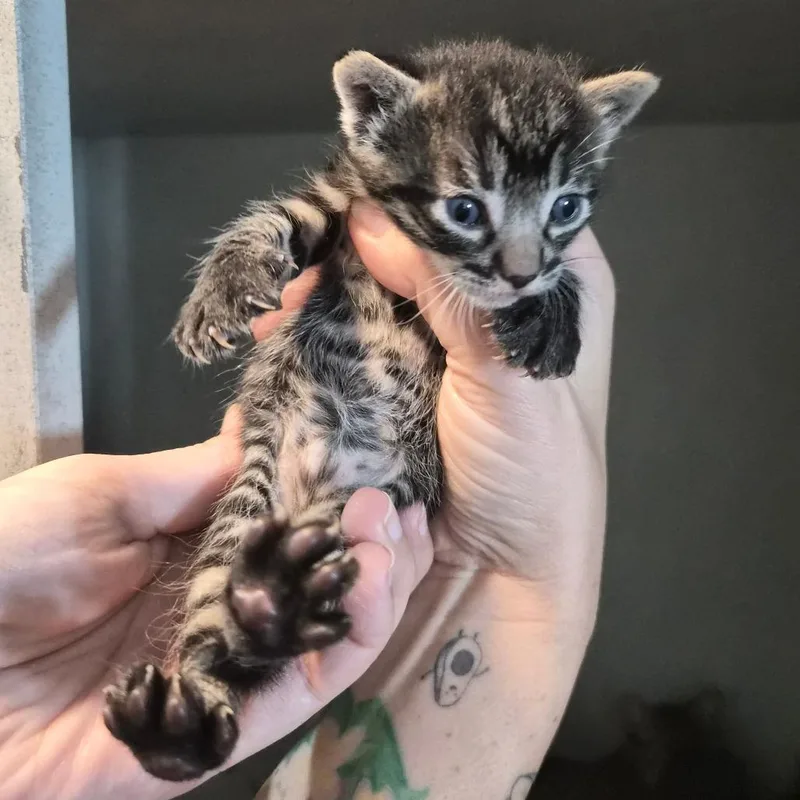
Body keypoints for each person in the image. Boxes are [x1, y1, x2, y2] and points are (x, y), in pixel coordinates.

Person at [0, 203, 613, 800]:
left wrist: (550, 307)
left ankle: (224, 671)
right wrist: (241, 269)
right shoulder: (375, 193)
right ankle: (214, 687)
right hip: (307, 429)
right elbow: (299, 221)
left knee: (276, 549)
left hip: (367, 455)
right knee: (265, 538)